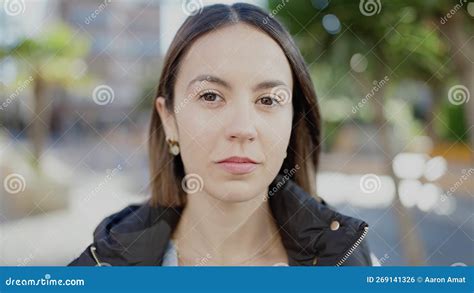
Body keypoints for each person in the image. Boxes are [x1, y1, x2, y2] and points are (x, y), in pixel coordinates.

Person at [69, 2, 373, 266]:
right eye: (211, 96)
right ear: (168, 118)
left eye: (268, 100)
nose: (242, 128)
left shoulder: (347, 263)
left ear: (294, 121)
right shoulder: (101, 268)